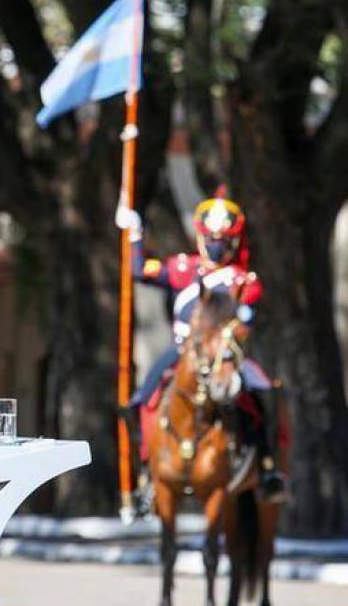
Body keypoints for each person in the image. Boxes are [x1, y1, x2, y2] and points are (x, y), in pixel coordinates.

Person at [116, 188, 285, 500]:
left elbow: (245, 322)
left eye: (222, 241)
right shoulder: (183, 269)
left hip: (225, 355)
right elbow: (138, 271)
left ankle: (267, 466)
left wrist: (229, 340)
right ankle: (145, 471)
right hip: (182, 351)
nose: (216, 246)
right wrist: (135, 232)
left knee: (264, 393)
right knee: (140, 398)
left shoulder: (243, 281)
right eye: (211, 239)